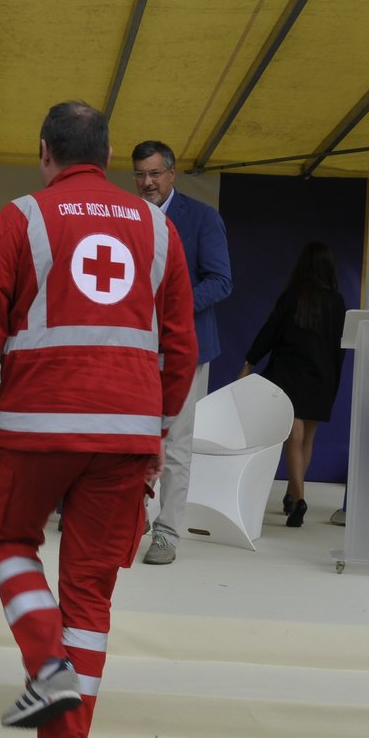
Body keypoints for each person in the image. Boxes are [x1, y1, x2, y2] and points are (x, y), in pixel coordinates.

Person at [0, 101, 196, 738]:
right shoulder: (159, 227)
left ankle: (48, 666)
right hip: (127, 434)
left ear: (44, 152)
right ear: (108, 158)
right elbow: (182, 347)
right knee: (91, 592)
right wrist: (159, 431)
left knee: (8, 540)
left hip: (38, 427)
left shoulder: (23, 218)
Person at [131, 139, 232, 565]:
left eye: (155, 173)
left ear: (172, 174)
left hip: (182, 351)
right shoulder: (127, 215)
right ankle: (128, 523)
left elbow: (221, 281)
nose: (148, 182)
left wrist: (170, 309)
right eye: (140, 174)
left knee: (174, 445)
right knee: (130, 442)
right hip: (132, 350)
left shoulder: (202, 217)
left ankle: (166, 533)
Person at [238, 242, 346, 527]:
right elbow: (341, 348)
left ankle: (298, 498)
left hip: (289, 374)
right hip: (322, 377)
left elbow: (270, 332)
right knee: (307, 439)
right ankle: (293, 493)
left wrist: (250, 361)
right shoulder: (337, 302)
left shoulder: (293, 296)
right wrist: (334, 381)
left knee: (292, 437)